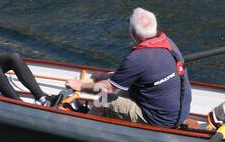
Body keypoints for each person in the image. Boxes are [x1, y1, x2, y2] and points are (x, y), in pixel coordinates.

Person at [62, 8, 192, 128]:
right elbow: (123, 77)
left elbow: (107, 89)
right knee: (113, 79)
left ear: (132, 33)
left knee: (105, 99)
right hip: (181, 111)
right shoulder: (168, 41)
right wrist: (102, 77)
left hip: (159, 120)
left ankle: (85, 127)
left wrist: (80, 86)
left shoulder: (136, 58)